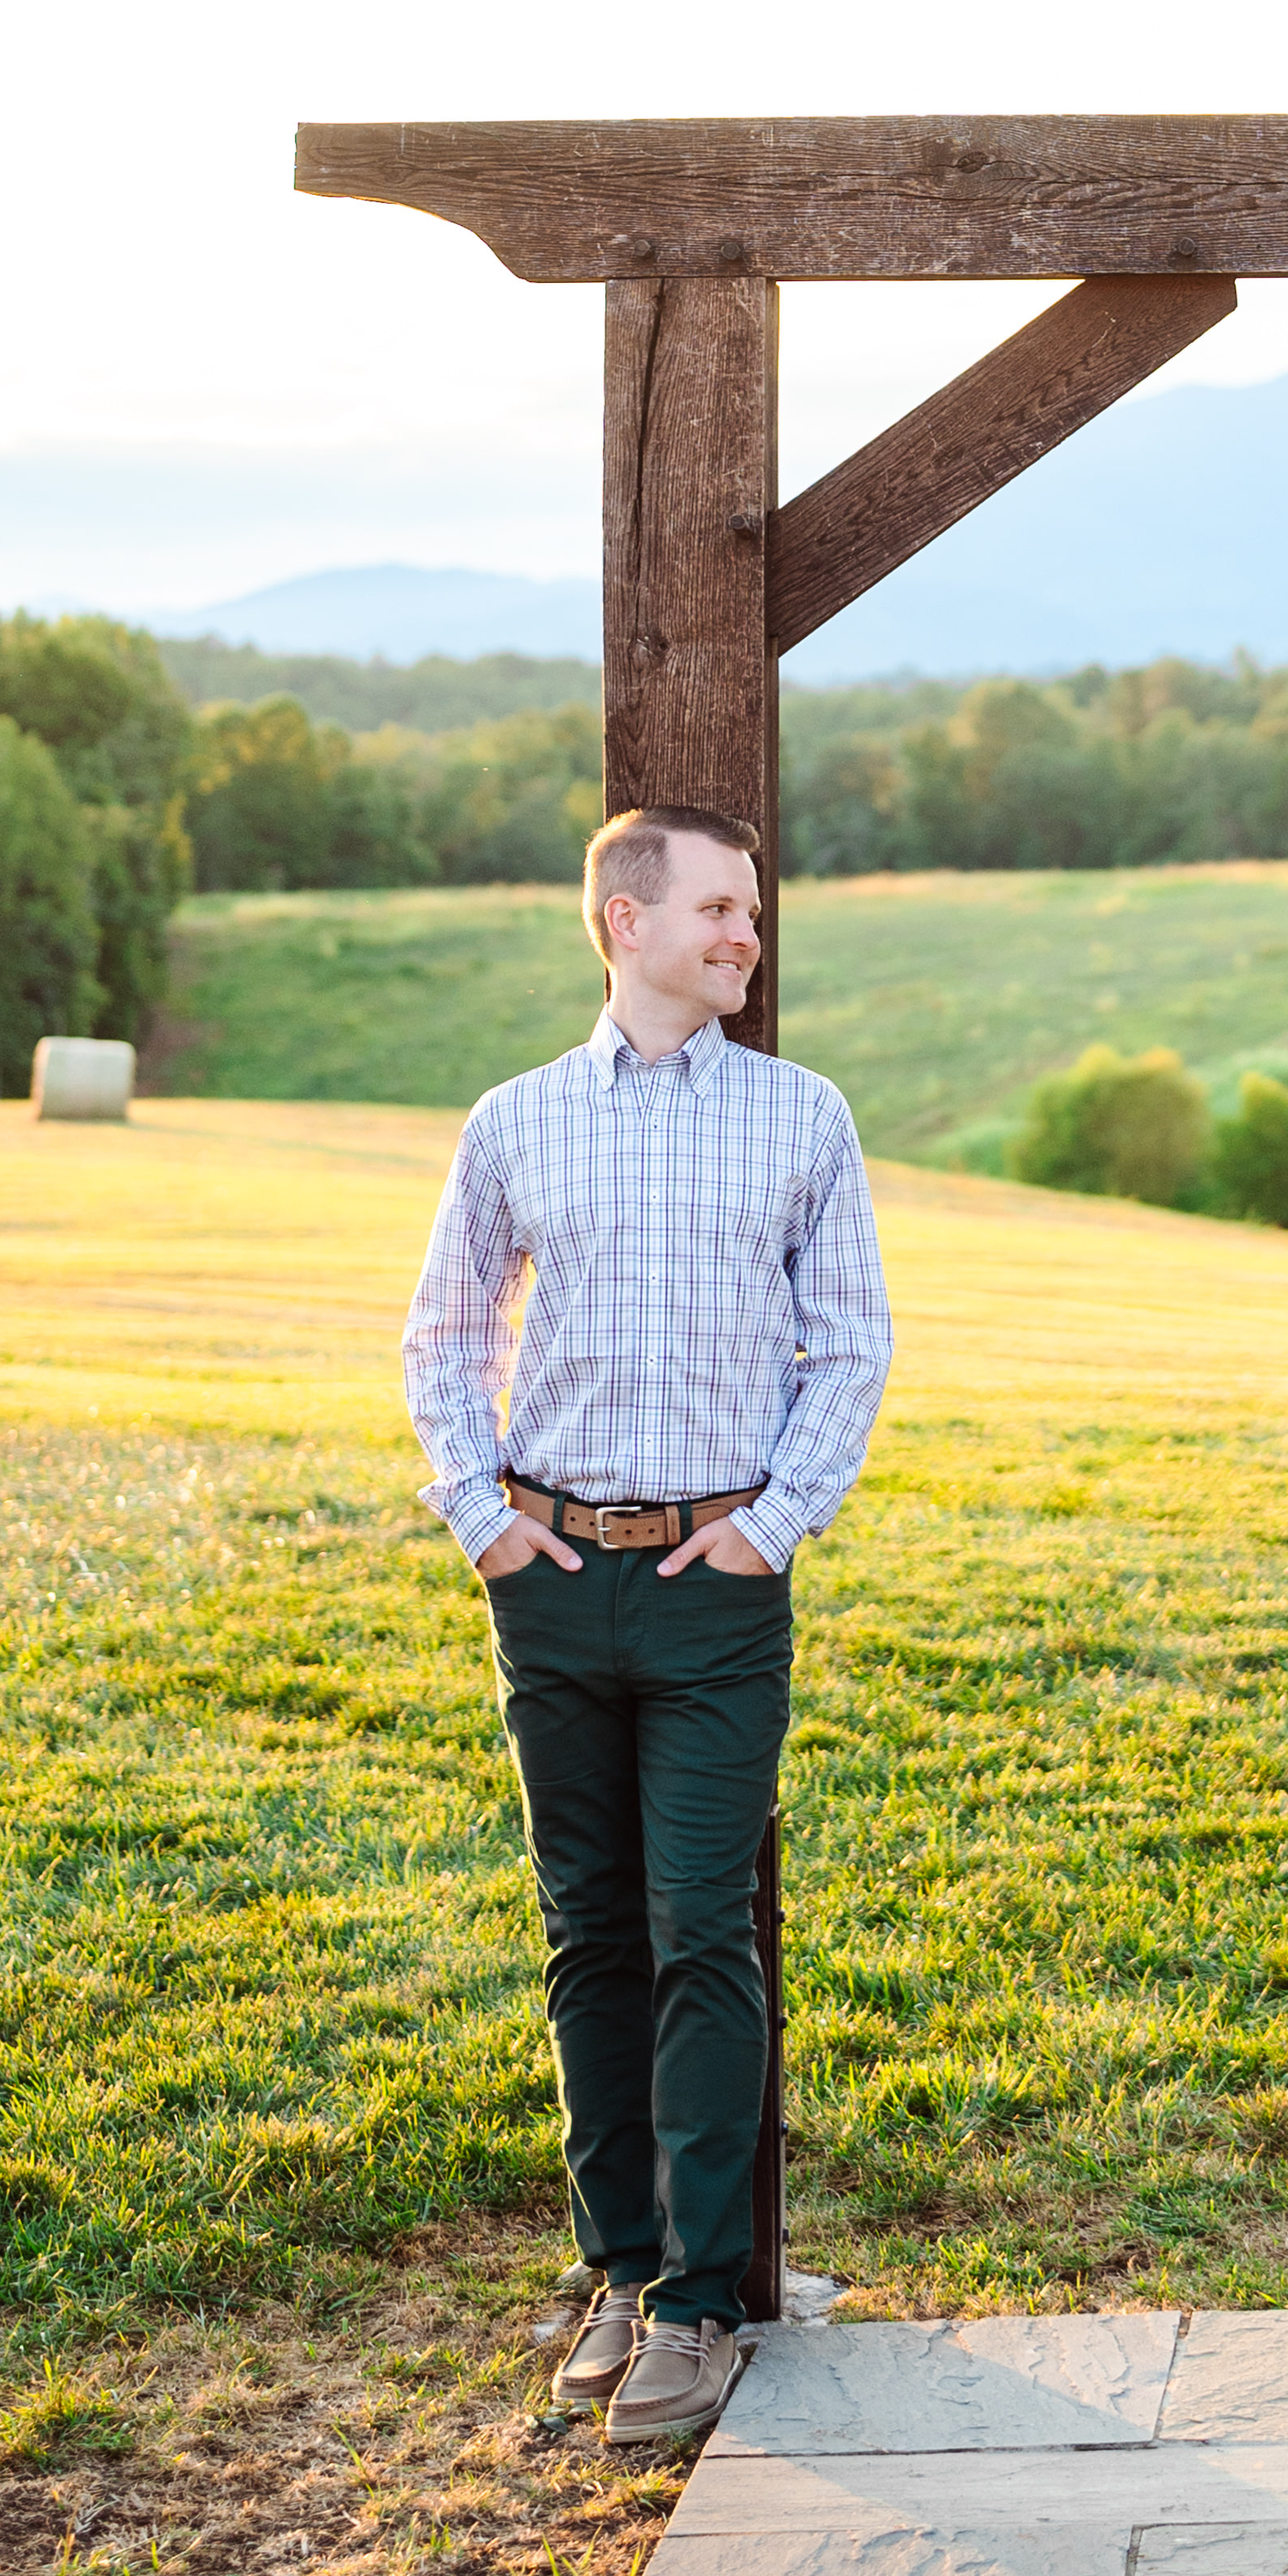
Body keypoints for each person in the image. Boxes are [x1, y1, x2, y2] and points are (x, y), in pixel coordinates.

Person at [403, 804, 893, 2439]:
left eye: (749, 909)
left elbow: (851, 1341)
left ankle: (698, 2300)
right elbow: (445, 1333)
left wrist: (773, 1525)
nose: (746, 933)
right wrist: (483, 1519)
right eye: (717, 908)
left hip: (717, 1591)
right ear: (625, 920)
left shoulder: (800, 1115)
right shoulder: (516, 1120)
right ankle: (618, 2266)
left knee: (702, 1927)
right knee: (591, 1931)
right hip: (553, 1583)